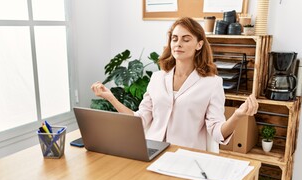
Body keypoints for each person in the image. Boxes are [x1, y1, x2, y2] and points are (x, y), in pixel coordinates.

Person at [91, 17, 258, 151]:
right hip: (151, 152)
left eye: (186, 39)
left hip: (186, 157)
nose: (178, 44)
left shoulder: (212, 84)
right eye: (175, 39)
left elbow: (217, 132)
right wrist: (111, 98)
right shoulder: (157, 78)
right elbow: (140, 120)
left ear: (199, 45)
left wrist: (237, 115)